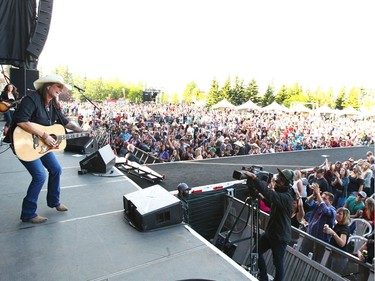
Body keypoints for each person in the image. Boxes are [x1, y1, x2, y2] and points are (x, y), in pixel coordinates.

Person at [7, 74, 86, 223]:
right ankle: (28, 213)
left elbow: (65, 122)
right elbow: (21, 121)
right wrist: (44, 135)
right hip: (24, 144)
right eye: (58, 86)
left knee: (56, 169)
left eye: (61, 88)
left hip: (41, 146)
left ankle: (54, 202)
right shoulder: (31, 99)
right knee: (39, 176)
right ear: (48, 86)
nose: (60, 90)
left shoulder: (54, 105)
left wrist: (81, 131)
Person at [242, 168, 294, 281]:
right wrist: (260, 195)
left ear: (286, 183)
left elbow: (269, 194)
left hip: (279, 237)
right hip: (271, 233)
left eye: (280, 179)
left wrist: (255, 179)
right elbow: (270, 202)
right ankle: (264, 277)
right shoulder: (281, 195)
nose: (277, 180)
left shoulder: (286, 197)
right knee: (256, 252)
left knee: (278, 264)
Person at [323, 207, 351, 274]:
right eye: (337, 213)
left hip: (339, 257)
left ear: (345, 216)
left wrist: (332, 233)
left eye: (340, 214)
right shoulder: (338, 225)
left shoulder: (345, 228)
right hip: (332, 253)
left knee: (332, 274)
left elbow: (342, 243)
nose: (337, 215)